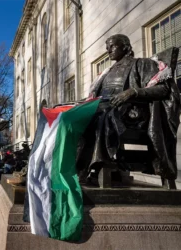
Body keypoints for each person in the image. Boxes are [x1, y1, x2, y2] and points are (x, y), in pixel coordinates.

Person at [77, 34, 180, 180]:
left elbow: (163, 89)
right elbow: (95, 97)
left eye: (112, 46)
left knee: (102, 116)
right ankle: (79, 169)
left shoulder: (142, 63)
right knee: (77, 116)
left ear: (125, 46)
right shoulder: (107, 72)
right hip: (106, 107)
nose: (108, 50)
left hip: (132, 113)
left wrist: (133, 91)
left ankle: (99, 164)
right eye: (107, 48)